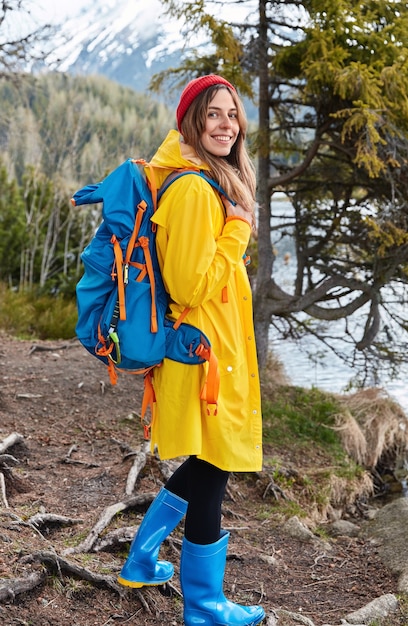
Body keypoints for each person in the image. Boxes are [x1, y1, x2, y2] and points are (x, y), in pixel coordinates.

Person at [117, 74, 265, 626]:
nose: (226, 125)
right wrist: (236, 234)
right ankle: (203, 607)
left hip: (211, 352)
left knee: (210, 465)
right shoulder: (193, 191)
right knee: (213, 466)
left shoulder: (211, 186)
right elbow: (188, 285)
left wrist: (232, 230)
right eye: (214, 114)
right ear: (192, 122)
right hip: (202, 356)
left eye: (233, 114)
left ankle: (143, 557)